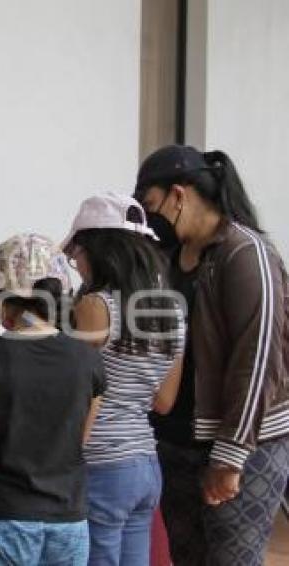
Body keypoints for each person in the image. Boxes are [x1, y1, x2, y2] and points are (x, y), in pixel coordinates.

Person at [134, 145, 289, 566]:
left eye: (152, 205)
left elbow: (257, 361)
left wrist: (231, 454)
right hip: (176, 442)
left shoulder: (245, 253)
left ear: (179, 195)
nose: (152, 220)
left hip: (242, 448)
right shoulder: (168, 260)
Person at [0, 234, 106, 566]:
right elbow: (79, 438)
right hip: (69, 516)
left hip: (5, 514)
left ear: (3, 299)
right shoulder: (88, 359)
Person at [62, 192, 186, 566]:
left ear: (101, 250)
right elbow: (163, 402)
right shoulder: (173, 309)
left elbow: (72, 388)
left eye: (78, 253)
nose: (76, 264)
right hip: (145, 464)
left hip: (102, 462)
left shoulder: (96, 306)